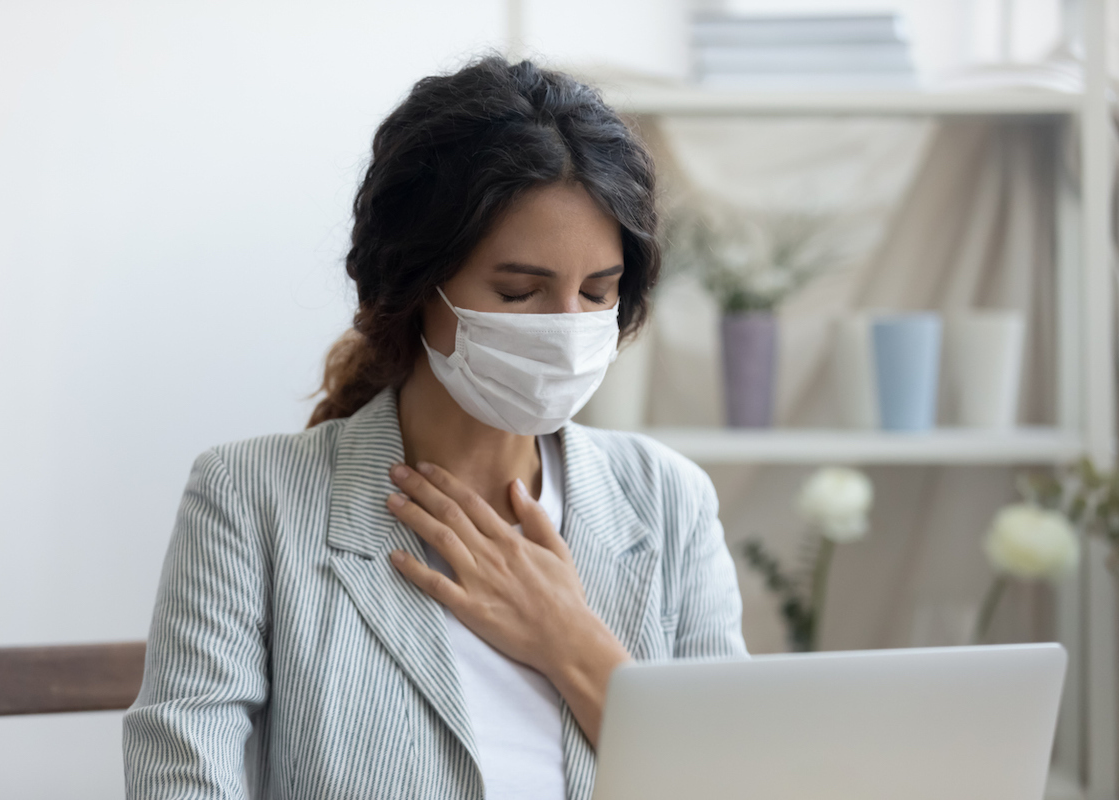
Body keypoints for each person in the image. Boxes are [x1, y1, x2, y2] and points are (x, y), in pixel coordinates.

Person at [123, 56, 746, 800]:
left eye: (597, 292)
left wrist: (571, 644)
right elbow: (179, 781)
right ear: (417, 284)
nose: (567, 328)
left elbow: (734, 778)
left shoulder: (668, 500)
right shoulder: (252, 500)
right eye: (519, 291)